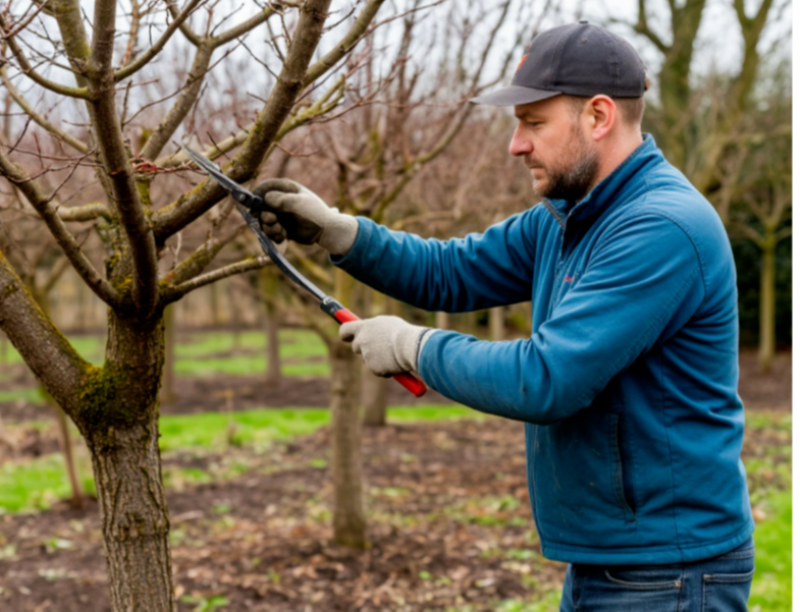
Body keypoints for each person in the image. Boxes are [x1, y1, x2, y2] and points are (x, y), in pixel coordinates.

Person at [253, 21, 755, 611]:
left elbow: (548, 379)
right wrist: (342, 233)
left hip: (668, 572)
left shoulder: (659, 227)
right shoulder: (568, 216)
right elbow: (451, 271)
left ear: (598, 117)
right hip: (617, 561)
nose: (516, 145)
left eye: (533, 123)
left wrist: (414, 347)